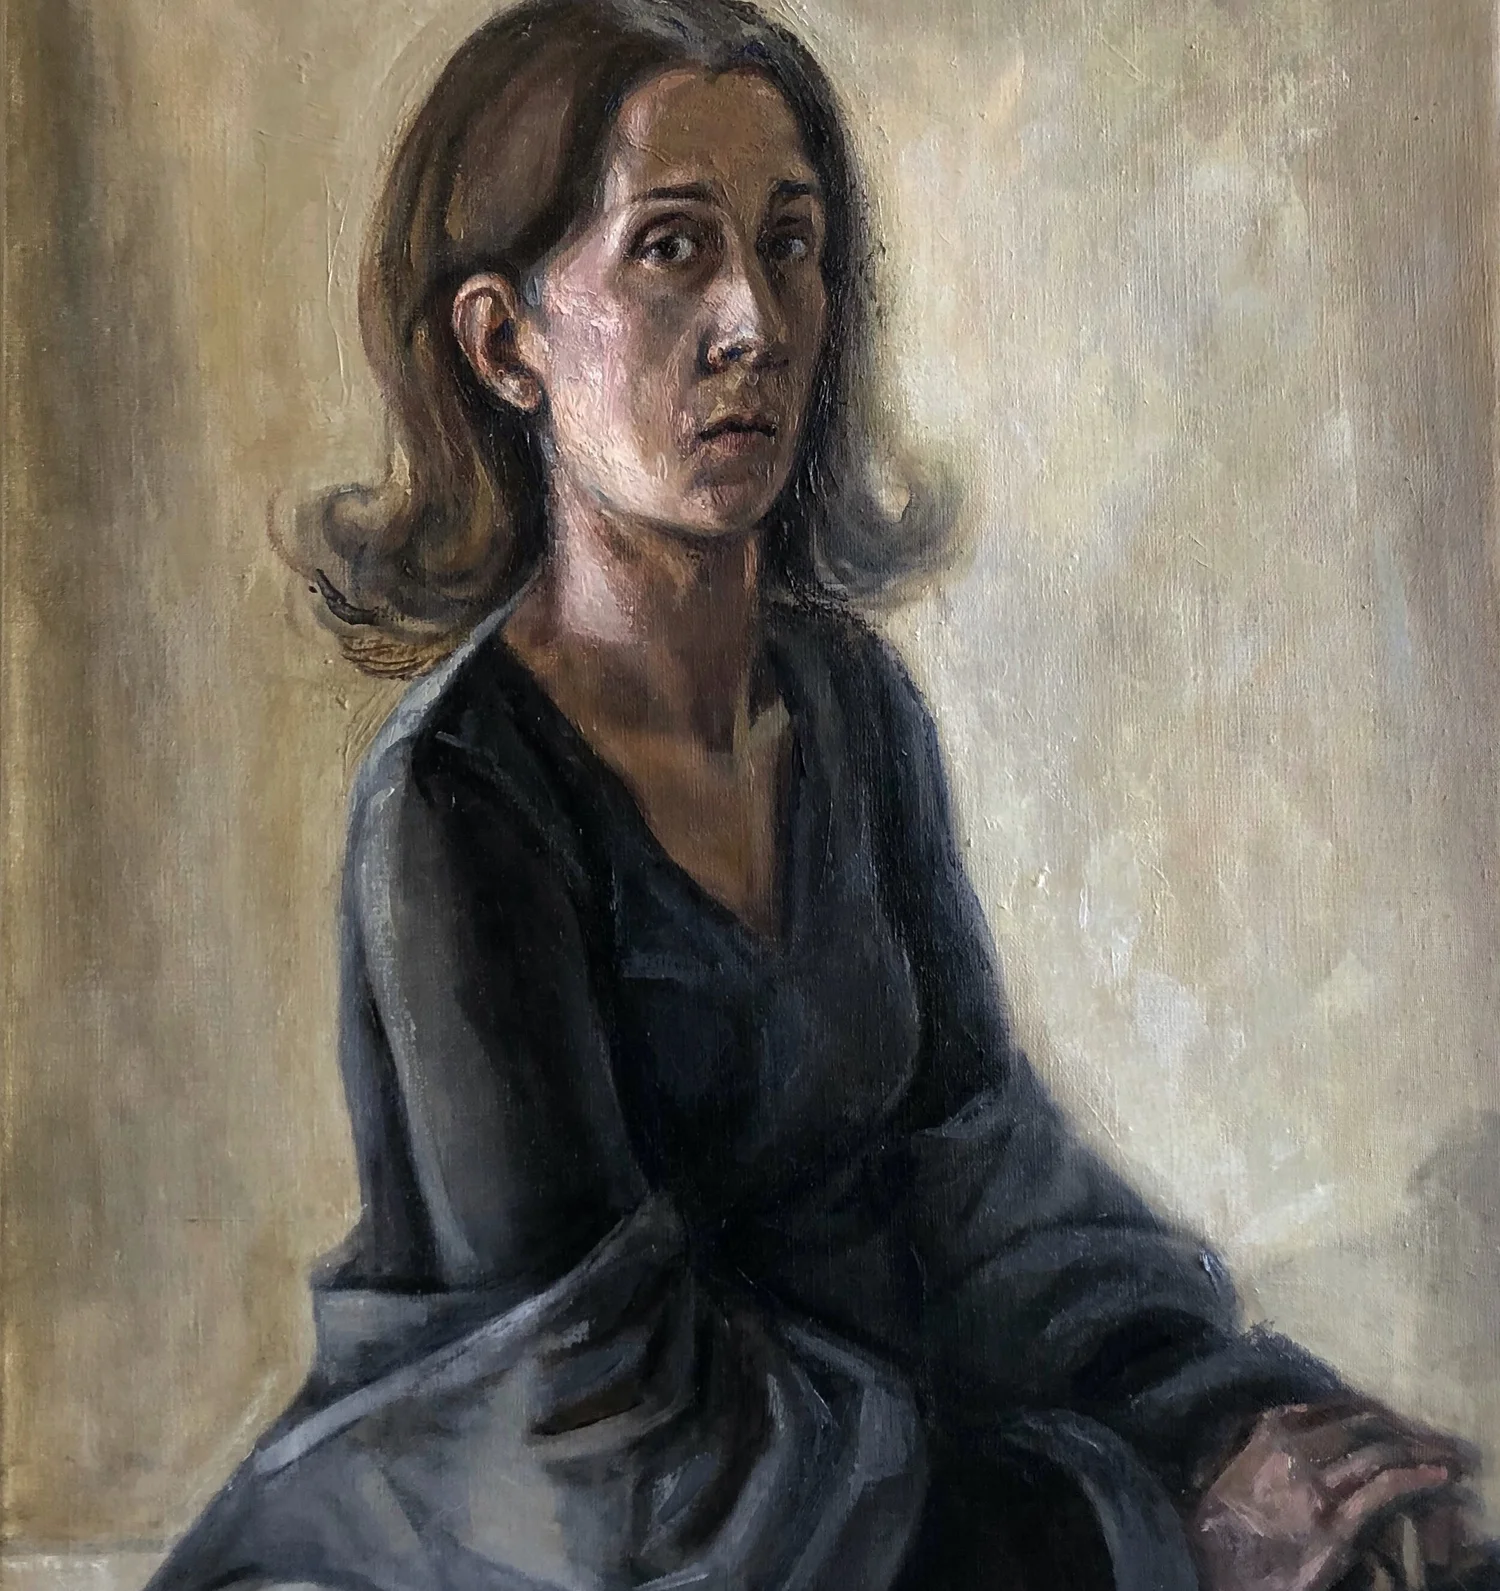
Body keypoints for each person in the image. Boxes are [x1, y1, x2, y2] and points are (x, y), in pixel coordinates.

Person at [148, 3, 1491, 1588]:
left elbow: (987, 1179)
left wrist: (1241, 1423)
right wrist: (1139, 1524)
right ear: (506, 344)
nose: (754, 322)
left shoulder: (852, 710)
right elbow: (603, 1434)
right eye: (671, 249)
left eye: (788, 245)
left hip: (889, 1512)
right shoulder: (455, 805)